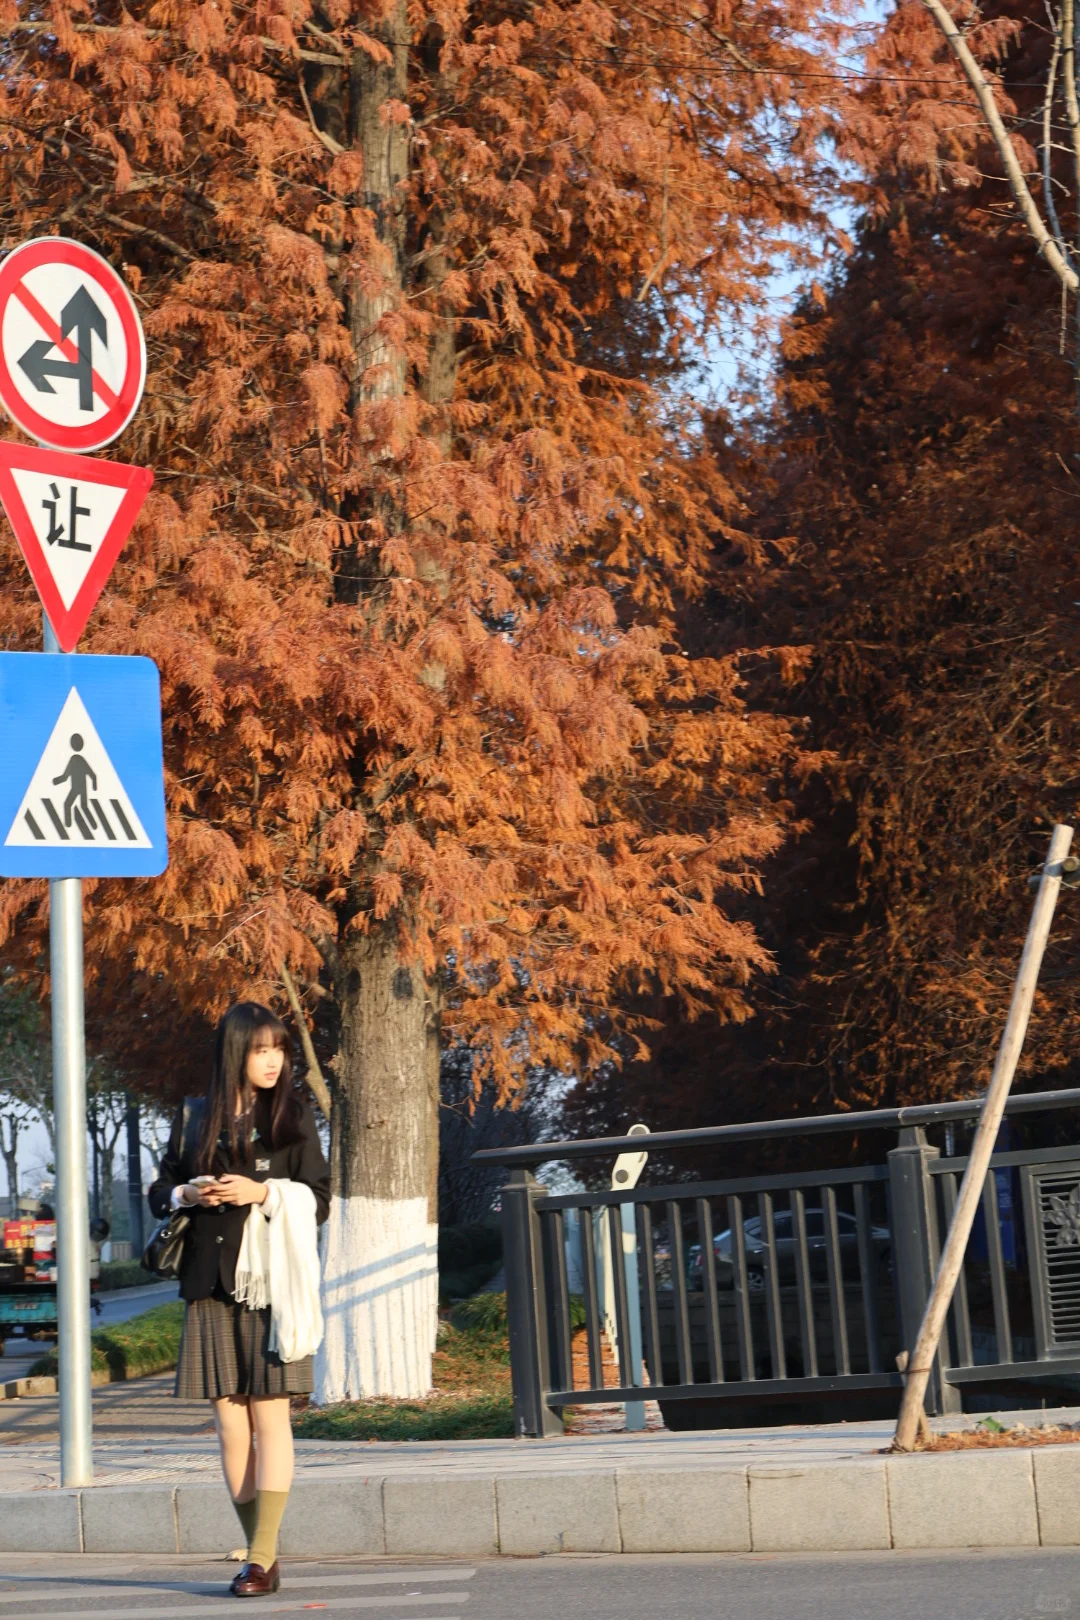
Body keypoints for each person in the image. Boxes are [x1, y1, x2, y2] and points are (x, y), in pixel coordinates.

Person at [149, 1002, 329, 1598]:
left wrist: (265, 1191)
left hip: (269, 1285)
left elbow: (320, 1198)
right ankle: (263, 1558)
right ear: (235, 1053)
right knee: (230, 1424)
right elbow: (159, 1191)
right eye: (260, 1049)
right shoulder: (194, 1119)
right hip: (208, 1283)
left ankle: (260, 1557)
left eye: (278, 1048)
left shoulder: (293, 1117)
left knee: (270, 1416)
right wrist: (187, 1191)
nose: (274, 1060)